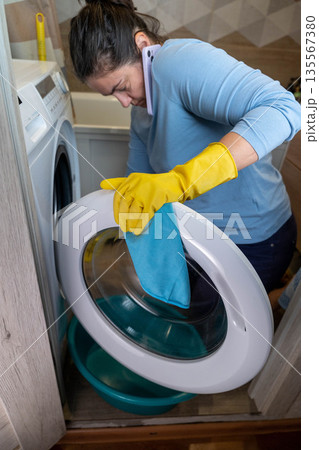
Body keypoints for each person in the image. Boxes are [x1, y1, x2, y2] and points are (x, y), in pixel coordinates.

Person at [69, 0, 301, 293]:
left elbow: (283, 108)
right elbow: (139, 180)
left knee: (203, 330)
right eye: (112, 96)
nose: (123, 102)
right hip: (203, 237)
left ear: (142, 44)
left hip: (252, 241)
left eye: (122, 87)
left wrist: (184, 179)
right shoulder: (141, 111)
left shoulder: (176, 62)